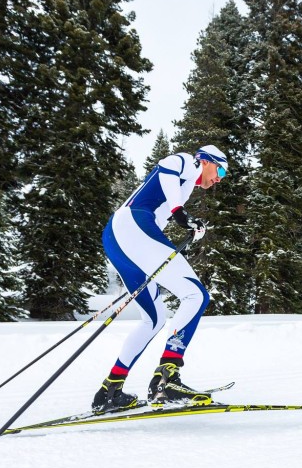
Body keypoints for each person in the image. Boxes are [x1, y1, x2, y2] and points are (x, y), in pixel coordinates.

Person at [93, 144, 228, 413]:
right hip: (133, 226)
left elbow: (160, 216)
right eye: (221, 170)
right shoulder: (188, 162)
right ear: (207, 161)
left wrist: (187, 223)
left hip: (118, 237)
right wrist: (180, 212)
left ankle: (111, 389)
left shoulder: (185, 186)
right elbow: (166, 169)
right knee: (196, 295)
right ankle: (167, 379)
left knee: (154, 319)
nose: (219, 179)